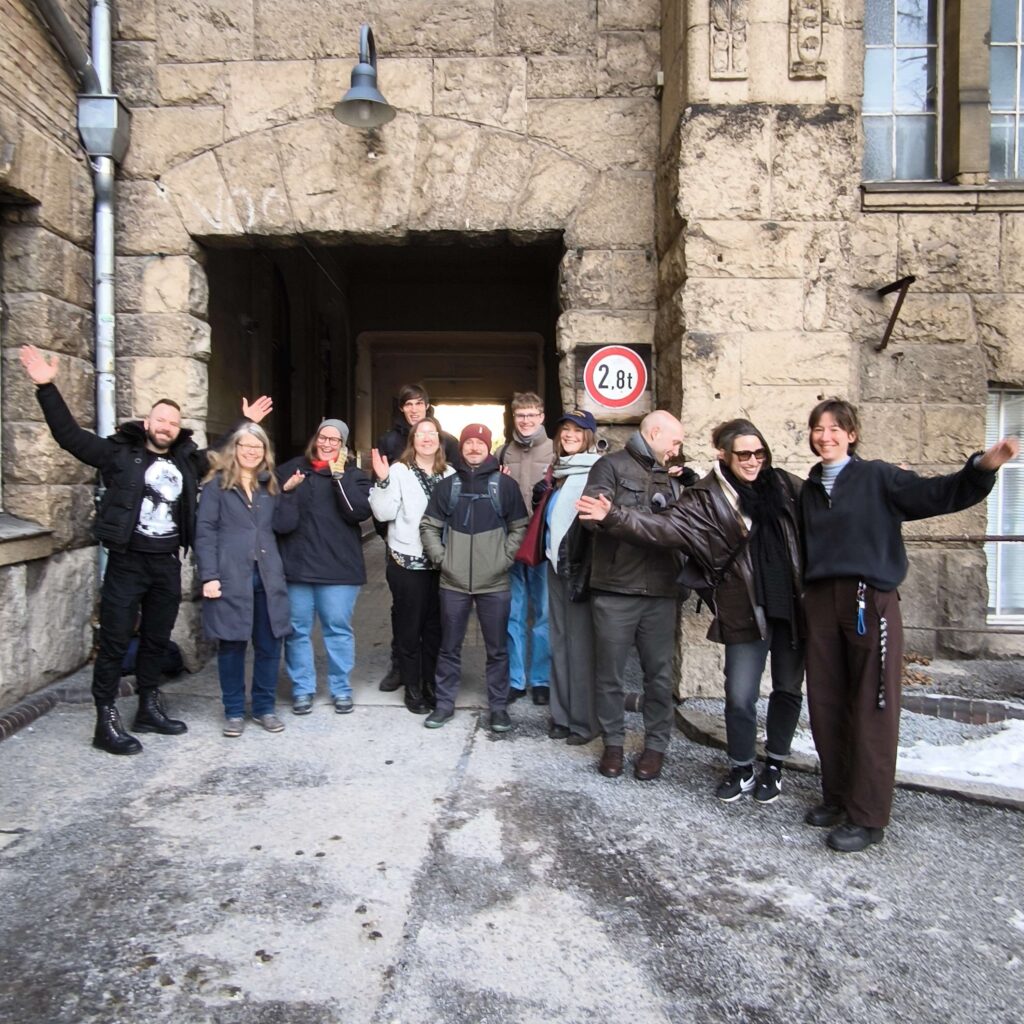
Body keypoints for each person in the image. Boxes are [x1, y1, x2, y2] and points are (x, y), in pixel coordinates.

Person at [18, 344, 271, 755]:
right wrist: (47, 387)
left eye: (173, 421)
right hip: (126, 562)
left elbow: (223, 451)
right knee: (116, 642)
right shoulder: (119, 454)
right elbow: (70, 438)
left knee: (156, 638)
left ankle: (148, 707)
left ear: (177, 428)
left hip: (167, 562)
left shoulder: (188, 462)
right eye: (160, 419)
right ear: (147, 421)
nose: (166, 426)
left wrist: (246, 423)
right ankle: (106, 719)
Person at [800, 398, 1019, 853]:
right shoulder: (809, 488)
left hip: (868, 601)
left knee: (872, 707)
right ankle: (837, 796)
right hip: (821, 600)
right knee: (826, 702)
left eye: (835, 428)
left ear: (852, 433)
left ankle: (868, 815)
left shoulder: (879, 477)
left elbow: (938, 493)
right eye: (819, 429)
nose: (826, 436)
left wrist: (982, 467)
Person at [578, 418, 805, 804]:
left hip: (775, 602)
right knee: (736, 694)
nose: (754, 461)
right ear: (726, 455)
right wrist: (612, 516)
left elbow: (822, 509)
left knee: (781, 689)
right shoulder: (691, 492)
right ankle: (735, 765)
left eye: (760, 453)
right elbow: (663, 528)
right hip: (668, 595)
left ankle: (767, 765)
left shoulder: (780, 484)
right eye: (745, 454)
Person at [576, 410, 690, 781]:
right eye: (674, 442)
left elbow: (686, 528)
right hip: (615, 589)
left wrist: (620, 516)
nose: (677, 449)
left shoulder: (676, 477)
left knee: (659, 676)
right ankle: (613, 743)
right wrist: (643, 522)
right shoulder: (608, 466)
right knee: (609, 674)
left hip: (661, 590)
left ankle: (655, 746)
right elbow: (592, 518)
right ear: (655, 432)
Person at [420, 424, 529, 732]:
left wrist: (504, 559)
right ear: (462, 447)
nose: (473, 448)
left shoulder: (505, 486)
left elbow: (521, 526)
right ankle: (444, 705)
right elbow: (428, 527)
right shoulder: (448, 486)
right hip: (453, 583)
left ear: (487, 447)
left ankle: (498, 708)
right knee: (448, 647)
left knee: (497, 650)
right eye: (468, 442)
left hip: (494, 582)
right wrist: (443, 559)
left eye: (479, 443)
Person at [196, 423, 296, 737]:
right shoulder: (217, 487)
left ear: (265, 452)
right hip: (231, 576)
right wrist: (209, 575)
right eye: (245, 446)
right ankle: (234, 711)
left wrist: (289, 495)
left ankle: (264, 708)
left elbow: (285, 526)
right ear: (235, 449)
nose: (251, 451)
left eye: (258, 446)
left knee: (269, 645)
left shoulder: (271, 486)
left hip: (267, 576)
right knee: (232, 645)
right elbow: (205, 532)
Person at [274, 419, 372, 715]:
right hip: (298, 566)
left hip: (339, 569)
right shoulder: (292, 469)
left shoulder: (354, 476)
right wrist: (287, 492)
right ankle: (303, 688)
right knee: (297, 630)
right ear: (315, 439)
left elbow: (357, 512)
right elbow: (279, 522)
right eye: (323, 438)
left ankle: (341, 688)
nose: (328, 444)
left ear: (344, 446)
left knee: (338, 629)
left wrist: (337, 476)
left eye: (336, 440)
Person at [374, 383, 459, 693]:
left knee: (435, 627)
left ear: (440, 441)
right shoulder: (397, 469)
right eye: (420, 435)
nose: (426, 439)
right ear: (412, 440)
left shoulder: (450, 474)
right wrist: (383, 482)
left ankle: (431, 683)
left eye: (432, 435)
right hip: (407, 561)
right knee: (408, 625)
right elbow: (383, 513)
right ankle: (411, 685)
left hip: (440, 562)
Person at [537, 410, 602, 744]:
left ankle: (584, 723)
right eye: (565, 429)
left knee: (580, 649)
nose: (570, 435)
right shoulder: (561, 473)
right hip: (555, 568)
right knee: (559, 644)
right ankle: (561, 716)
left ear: (589, 435)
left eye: (578, 430)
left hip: (579, 572)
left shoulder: (596, 471)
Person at [498, 391, 555, 706]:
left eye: (532, 415)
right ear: (514, 418)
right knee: (514, 614)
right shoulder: (503, 452)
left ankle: (541, 679)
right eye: (521, 416)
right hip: (512, 543)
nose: (526, 420)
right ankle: (516, 679)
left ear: (541, 416)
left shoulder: (555, 451)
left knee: (544, 614)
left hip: (542, 544)